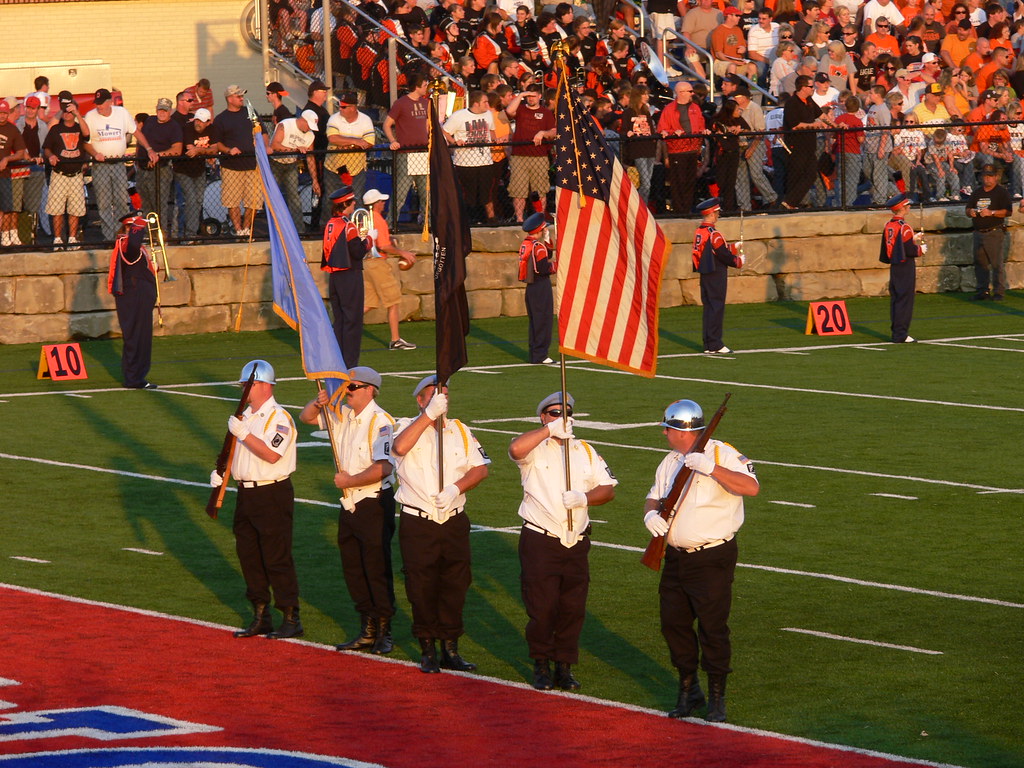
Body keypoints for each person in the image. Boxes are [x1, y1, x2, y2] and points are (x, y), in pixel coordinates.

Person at [643, 398, 759, 723]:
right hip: (676, 558)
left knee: (712, 626)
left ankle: (717, 695)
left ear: (681, 430)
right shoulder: (669, 461)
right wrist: (651, 513)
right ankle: (689, 688)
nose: (664, 433)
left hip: (712, 557)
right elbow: (655, 494)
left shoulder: (723, 453)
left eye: (667, 428)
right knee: (673, 624)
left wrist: (711, 468)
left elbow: (751, 487)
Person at [509, 391, 617, 691]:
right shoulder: (536, 448)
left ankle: (564, 666)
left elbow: (608, 489)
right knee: (542, 607)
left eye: (566, 413)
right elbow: (515, 449)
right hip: (541, 538)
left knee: (572, 608)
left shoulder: (584, 450)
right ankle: (541, 664)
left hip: (576, 540)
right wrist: (548, 432)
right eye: (554, 413)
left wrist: (585, 497)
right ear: (543, 417)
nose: (561, 418)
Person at [392, 375, 490, 673]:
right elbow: (399, 447)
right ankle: (427, 647)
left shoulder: (460, 430)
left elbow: (481, 468)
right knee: (421, 586)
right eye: (434, 395)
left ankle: (450, 646)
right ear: (420, 400)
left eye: (444, 395)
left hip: (453, 519)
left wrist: (456, 488)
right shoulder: (404, 425)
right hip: (418, 520)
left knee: (455, 584)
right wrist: (428, 416)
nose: (441, 400)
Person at [299, 367, 397, 655]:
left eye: (352, 386)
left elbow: (385, 466)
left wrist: (350, 481)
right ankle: (366, 627)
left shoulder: (381, 422)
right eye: (346, 386)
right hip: (350, 502)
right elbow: (306, 418)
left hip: (373, 501)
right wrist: (318, 403)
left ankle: (384, 630)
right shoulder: (343, 415)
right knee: (354, 567)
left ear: (370, 389)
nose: (347, 391)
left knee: (376, 568)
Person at [212, 359, 302, 640]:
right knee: (249, 556)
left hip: (272, 493)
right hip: (246, 493)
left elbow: (271, 454)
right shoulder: (245, 416)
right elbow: (235, 452)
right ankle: (261, 614)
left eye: (247, 385)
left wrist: (244, 434)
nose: (243, 390)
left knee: (276, 557)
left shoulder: (280, 418)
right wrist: (221, 473)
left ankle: (290, 616)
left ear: (263, 385)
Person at [106, 213, 158, 389]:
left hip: (140, 295)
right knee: (136, 337)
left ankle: (138, 376)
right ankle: (134, 378)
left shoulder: (131, 246)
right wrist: (141, 221)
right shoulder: (126, 244)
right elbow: (135, 242)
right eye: (132, 228)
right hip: (134, 296)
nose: (136, 231)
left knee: (142, 337)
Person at [361, 189, 417, 350]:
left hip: (366, 264)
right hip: (377, 263)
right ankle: (395, 339)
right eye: (381, 201)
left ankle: (339, 329)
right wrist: (402, 253)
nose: (383, 203)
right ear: (375, 204)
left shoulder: (365, 218)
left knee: (369, 303)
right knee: (393, 300)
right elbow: (382, 246)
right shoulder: (377, 219)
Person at [321, 185, 370, 367]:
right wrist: (369, 240)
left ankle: (337, 358)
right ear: (346, 204)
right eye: (352, 201)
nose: (355, 203)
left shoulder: (330, 224)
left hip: (335, 276)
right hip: (349, 275)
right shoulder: (348, 226)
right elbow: (357, 251)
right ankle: (350, 362)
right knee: (353, 320)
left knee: (340, 319)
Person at [82, 88, 140, 241]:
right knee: (104, 202)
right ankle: (110, 236)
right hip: (100, 165)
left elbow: (135, 131)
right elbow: (85, 142)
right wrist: (95, 154)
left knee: (122, 199)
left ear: (110, 102)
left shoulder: (121, 113)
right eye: (97, 103)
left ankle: (123, 233)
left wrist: (148, 148)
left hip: (118, 163)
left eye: (102, 103)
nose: (99, 106)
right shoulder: (90, 116)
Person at [43, 92, 97, 250]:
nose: (67, 113)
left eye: (70, 110)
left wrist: (77, 114)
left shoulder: (79, 127)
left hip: (76, 174)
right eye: (65, 111)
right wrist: (51, 156)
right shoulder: (55, 129)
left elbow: (87, 135)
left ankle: (72, 238)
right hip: (59, 174)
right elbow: (46, 148)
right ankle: (58, 239)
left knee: (75, 208)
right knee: (57, 208)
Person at [692, 198, 744, 355]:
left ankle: (708, 343)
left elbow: (716, 249)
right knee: (716, 307)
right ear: (712, 214)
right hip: (716, 273)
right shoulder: (713, 233)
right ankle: (715, 343)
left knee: (709, 307)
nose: (718, 215)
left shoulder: (700, 231)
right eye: (717, 212)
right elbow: (722, 254)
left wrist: (733, 247)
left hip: (705, 273)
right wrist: (738, 261)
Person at [211, 85, 263, 237]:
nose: (242, 98)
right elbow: (217, 143)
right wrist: (228, 150)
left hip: (252, 165)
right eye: (238, 96)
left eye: (242, 95)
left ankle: (246, 230)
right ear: (229, 98)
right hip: (231, 167)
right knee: (232, 201)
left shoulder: (251, 113)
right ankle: (238, 230)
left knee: (253, 201)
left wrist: (261, 144)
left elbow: (262, 132)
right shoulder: (221, 119)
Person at [505, 83, 556, 223]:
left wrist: (543, 133)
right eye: (529, 96)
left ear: (540, 96)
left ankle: (540, 217)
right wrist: (521, 95)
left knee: (540, 190)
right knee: (518, 190)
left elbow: (554, 132)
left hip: (539, 156)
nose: (531, 99)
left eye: (534, 96)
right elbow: (509, 111)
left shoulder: (546, 113)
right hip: (519, 156)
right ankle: (520, 219)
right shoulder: (521, 109)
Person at [383, 73, 431, 223]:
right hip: (406, 152)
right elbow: (387, 124)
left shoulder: (426, 103)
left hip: (422, 151)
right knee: (401, 191)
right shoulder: (401, 103)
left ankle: (427, 222)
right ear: (417, 86)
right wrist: (393, 140)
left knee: (426, 191)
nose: (426, 88)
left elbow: (427, 125)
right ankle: (391, 223)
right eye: (424, 85)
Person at [657, 81, 708, 217]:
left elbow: (700, 124)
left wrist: (704, 131)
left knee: (690, 181)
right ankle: (680, 211)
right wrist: (674, 132)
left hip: (692, 149)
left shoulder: (695, 108)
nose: (693, 94)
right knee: (678, 181)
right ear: (681, 93)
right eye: (690, 91)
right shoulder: (669, 109)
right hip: (677, 150)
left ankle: (687, 209)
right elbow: (662, 128)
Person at [879, 193, 924, 343]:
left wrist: (913, 238)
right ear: (902, 208)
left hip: (895, 264)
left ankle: (897, 331)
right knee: (905, 299)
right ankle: (901, 333)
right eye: (907, 205)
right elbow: (909, 249)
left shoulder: (889, 225)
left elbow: (895, 243)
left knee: (897, 299)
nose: (909, 207)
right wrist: (920, 249)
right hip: (905, 265)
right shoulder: (904, 227)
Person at [269, 109, 321, 231]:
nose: (309, 129)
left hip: (291, 165)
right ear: (303, 120)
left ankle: (299, 230)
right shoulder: (285, 125)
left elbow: (310, 157)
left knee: (294, 197)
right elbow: (274, 145)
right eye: (309, 125)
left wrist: (315, 180)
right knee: (273, 196)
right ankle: (273, 228)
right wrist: (295, 149)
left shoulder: (310, 135)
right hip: (275, 163)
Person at [135, 98, 183, 227]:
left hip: (161, 170)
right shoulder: (150, 121)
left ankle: (161, 234)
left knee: (159, 204)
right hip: (142, 169)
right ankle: (147, 234)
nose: (162, 113)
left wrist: (158, 155)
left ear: (170, 111)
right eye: (160, 110)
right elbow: (140, 138)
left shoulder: (174, 127)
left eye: (165, 111)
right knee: (145, 204)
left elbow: (177, 150)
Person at [967, 164, 1011, 300]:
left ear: (996, 177)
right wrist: (971, 212)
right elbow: (968, 209)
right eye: (985, 176)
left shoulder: (1001, 192)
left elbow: (1008, 211)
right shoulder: (977, 192)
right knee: (980, 263)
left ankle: (998, 292)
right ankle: (983, 290)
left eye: (990, 176)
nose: (987, 179)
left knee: (996, 263)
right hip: (978, 231)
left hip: (994, 231)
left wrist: (991, 212)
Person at [517, 211, 556, 365]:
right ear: (539, 229)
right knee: (543, 320)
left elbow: (544, 256)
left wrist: (547, 240)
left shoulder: (527, 243)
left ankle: (535, 353)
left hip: (531, 287)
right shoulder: (537, 246)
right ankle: (541, 354)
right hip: (541, 285)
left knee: (535, 321)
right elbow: (543, 267)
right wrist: (558, 266)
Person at [324, 91, 376, 203]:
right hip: (334, 168)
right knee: (331, 203)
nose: (340, 109)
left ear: (352, 108)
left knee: (355, 202)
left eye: (343, 106)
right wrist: (355, 142)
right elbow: (333, 138)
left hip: (356, 169)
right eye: (339, 106)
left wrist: (344, 144)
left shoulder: (365, 120)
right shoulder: (333, 118)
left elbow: (369, 142)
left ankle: (352, 221)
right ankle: (330, 222)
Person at [0, 99, 28, 247]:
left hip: (4, 175)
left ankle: (6, 237)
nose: (2, 116)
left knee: (7, 207)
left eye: (5, 113)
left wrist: (7, 159)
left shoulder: (12, 130)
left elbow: (21, 152)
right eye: (0, 113)